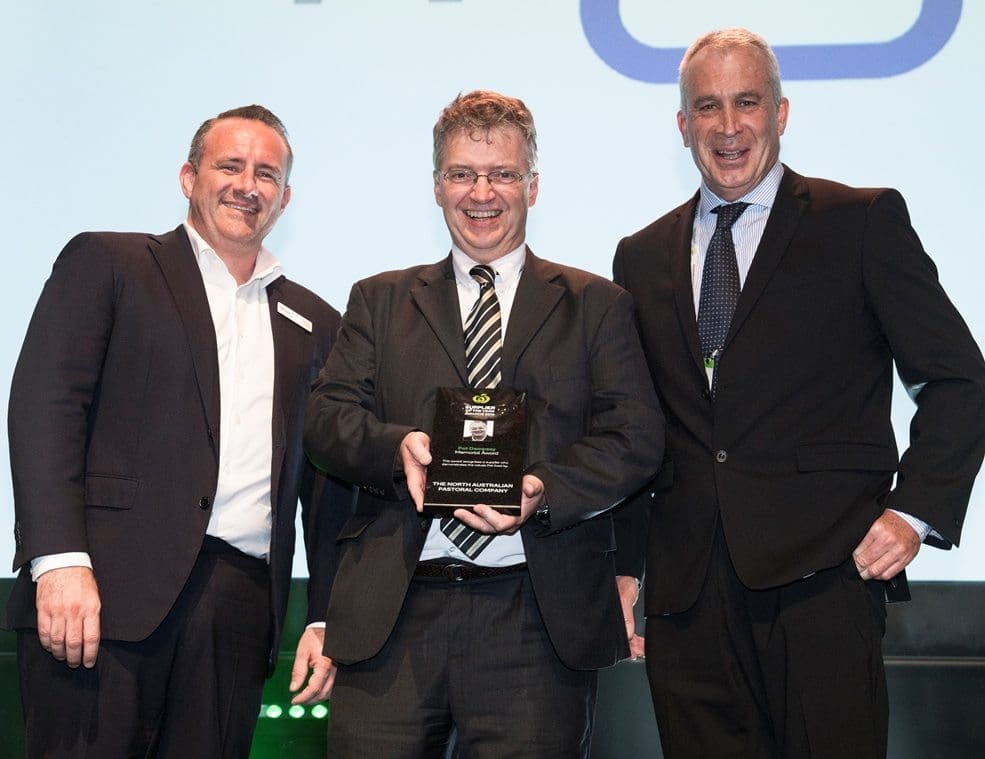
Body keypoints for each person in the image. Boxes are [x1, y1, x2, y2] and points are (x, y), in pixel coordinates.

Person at [613, 27, 985, 759]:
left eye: (746, 103)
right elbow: (637, 426)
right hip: (686, 602)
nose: (728, 127)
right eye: (708, 107)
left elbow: (958, 378)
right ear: (682, 125)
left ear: (780, 113)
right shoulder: (639, 255)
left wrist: (913, 511)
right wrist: (625, 564)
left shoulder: (859, 223)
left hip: (821, 584)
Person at [303, 89, 663, 757]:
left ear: (532, 185)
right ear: (437, 186)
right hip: (394, 613)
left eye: (500, 174)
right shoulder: (378, 299)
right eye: (462, 173)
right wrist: (396, 448)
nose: (481, 193)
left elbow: (635, 438)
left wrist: (543, 489)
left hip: (533, 614)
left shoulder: (595, 305)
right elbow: (325, 420)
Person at [4, 105, 351, 758]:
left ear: (285, 196)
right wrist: (58, 558)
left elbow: (327, 487)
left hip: (237, 613)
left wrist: (325, 612)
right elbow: (45, 408)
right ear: (189, 175)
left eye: (267, 173)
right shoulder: (109, 262)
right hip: (100, 593)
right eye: (230, 165)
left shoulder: (315, 321)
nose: (247, 184)